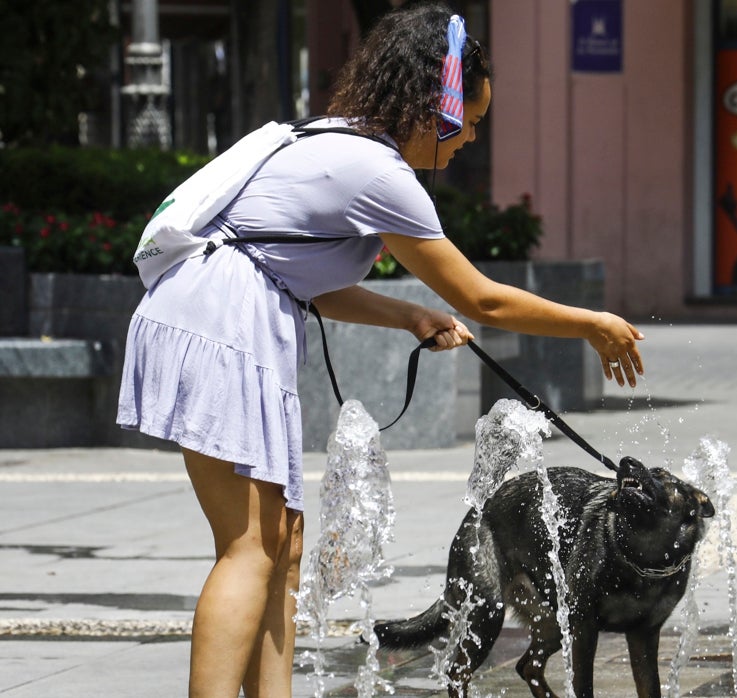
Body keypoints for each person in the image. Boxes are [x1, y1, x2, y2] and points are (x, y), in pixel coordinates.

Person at [116, 4, 644, 697]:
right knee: (250, 547)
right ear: (432, 111)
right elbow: (482, 298)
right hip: (223, 324)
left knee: (283, 544)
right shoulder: (379, 173)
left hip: (207, 310)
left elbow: (300, 275)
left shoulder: (337, 141)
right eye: (469, 123)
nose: (470, 138)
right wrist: (591, 323)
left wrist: (407, 315)